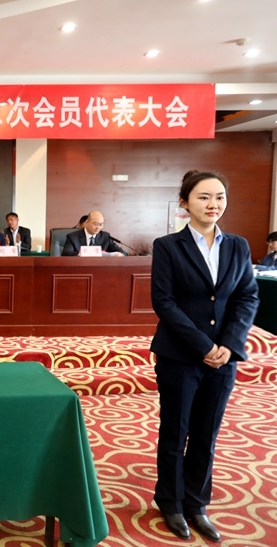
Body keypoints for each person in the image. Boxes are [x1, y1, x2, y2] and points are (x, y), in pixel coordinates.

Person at [150, 171, 258, 542]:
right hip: (180, 356)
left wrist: (229, 343)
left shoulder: (238, 245)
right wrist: (204, 346)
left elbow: (247, 296)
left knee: (206, 434)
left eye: (220, 197)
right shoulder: (168, 246)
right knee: (175, 431)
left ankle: (196, 504)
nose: (213, 204)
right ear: (185, 202)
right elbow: (164, 302)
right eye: (203, 197)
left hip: (224, 357)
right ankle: (170, 502)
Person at [62, 210, 126, 256]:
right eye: (95, 224)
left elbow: (124, 253)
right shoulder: (73, 237)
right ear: (87, 222)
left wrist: (120, 255)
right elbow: (66, 254)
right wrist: (85, 254)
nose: (98, 227)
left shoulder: (105, 237)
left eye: (101, 224)